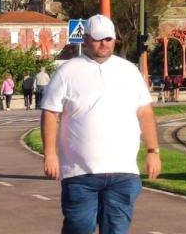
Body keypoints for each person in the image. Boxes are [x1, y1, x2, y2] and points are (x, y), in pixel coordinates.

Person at [40, 14, 160, 234]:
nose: (103, 44)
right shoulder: (67, 72)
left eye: (108, 39)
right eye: (97, 39)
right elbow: (50, 113)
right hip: (80, 174)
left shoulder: (129, 71)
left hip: (123, 172)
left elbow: (144, 112)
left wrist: (153, 151)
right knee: (79, 227)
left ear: (115, 39)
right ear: (86, 39)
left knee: (116, 229)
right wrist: (50, 153)